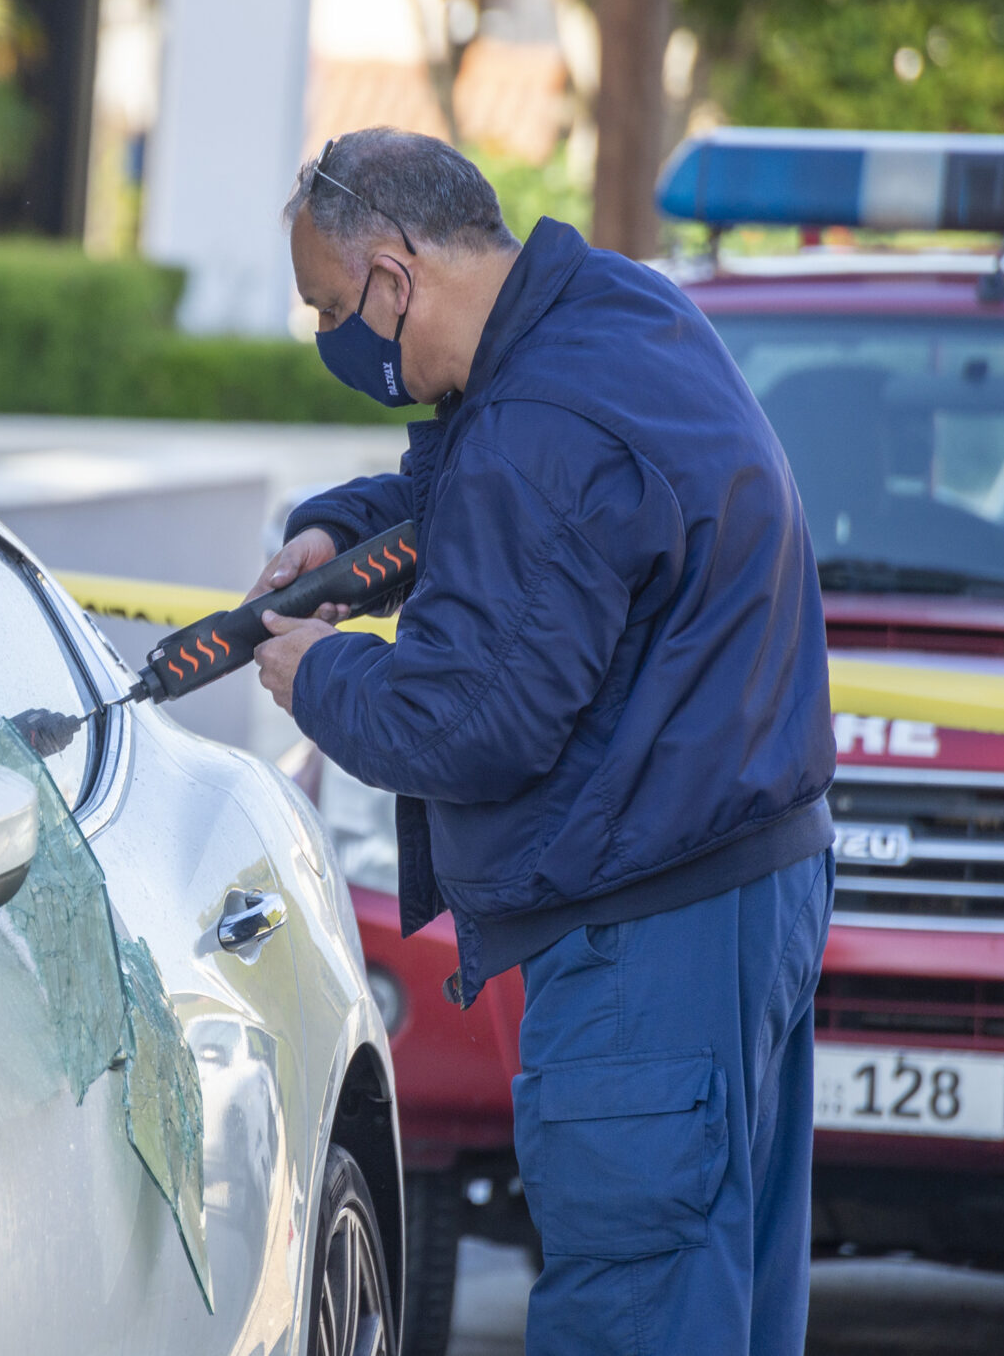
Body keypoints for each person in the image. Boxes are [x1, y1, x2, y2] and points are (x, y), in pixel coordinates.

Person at [252, 128, 836, 1356]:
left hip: (648, 944)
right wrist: (340, 534)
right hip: (744, 890)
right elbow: (481, 492)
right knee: (715, 1302)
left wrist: (317, 673)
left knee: (634, 1305)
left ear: (394, 278)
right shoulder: (608, 311)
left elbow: (467, 721)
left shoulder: (540, 425)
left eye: (328, 308)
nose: (329, 340)